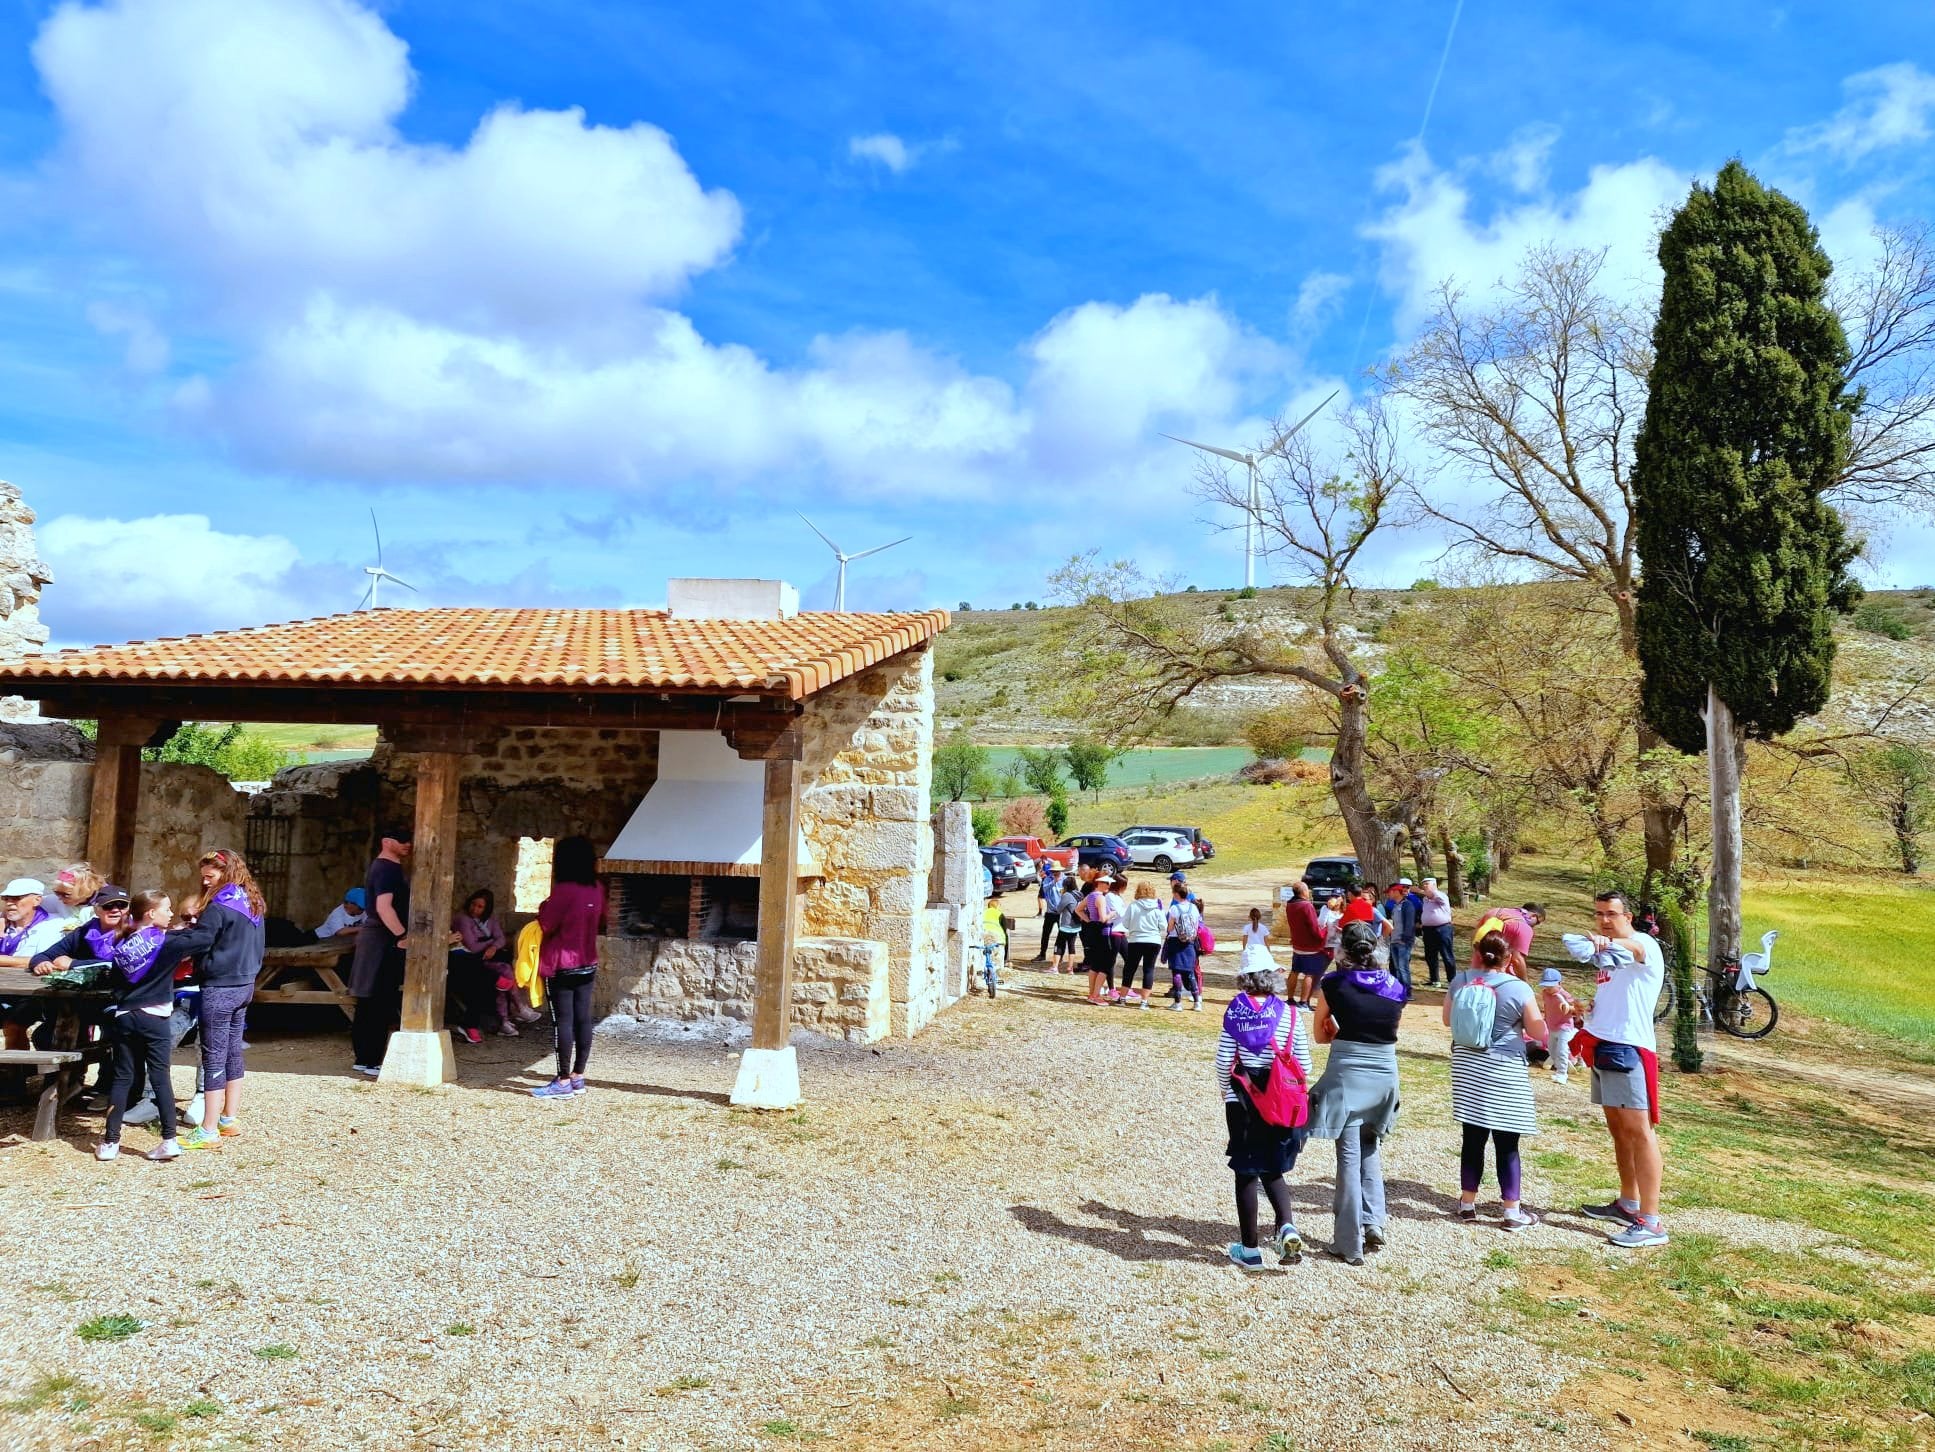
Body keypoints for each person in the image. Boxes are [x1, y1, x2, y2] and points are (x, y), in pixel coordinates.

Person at [1573, 890, 1669, 1249]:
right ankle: (1628, 1203)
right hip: (1602, 1044)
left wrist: (1605, 942)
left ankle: (1652, 1221)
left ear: (1628, 916)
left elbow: (1638, 950)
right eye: (1598, 914)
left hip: (1628, 1048)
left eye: (1611, 914)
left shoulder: (1642, 943)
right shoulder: (1608, 955)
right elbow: (1616, 998)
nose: (1604, 920)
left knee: (1639, 1131)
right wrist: (1586, 1009)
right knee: (1618, 1130)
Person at [1305, 922, 1404, 1265]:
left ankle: (1349, 1243)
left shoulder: (1333, 983)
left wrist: (1335, 1027)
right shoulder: (1395, 986)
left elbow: (1320, 1034)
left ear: (1343, 949)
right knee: (1370, 1146)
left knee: (1348, 1156)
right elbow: (1387, 1028)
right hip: (1385, 1074)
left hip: (1348, 1073)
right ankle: (1374, 1221)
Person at [156, 850, 266, 1148]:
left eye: (210, 876)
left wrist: (161, 938)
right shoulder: (251, 901)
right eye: (203, 876)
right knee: (232, 1052)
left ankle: (207, 1130)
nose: (205, 882)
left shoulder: (218, 907)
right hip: (244, 984)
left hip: (219, 987)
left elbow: (203, 940)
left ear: (227, 872)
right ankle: (228, 1119)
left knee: (213, 1056)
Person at [1444, 931, 1547, 1230]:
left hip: (1467, 1067)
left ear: (1477, 952)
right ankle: (1512, 1212)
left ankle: (1467, 1204)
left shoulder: (1460, 981)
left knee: (1472, 1136)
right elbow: (1538, 1032)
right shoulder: (1518, 988)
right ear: (1510, 958)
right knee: (1507, 1141)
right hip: (1504, 1070)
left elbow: (1447, 1021)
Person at [1217, 965, 1312, 1270]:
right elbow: (1305, 1065)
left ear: (1243, 978)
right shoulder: (1290, 1014)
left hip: (1245, 1101)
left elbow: (1223, 1062)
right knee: (1272, 1169)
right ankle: (1286, 1227)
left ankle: (1250, 1250)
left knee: (1246, 1171)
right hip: (1282, 1105)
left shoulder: (1236, 1012)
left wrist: (1228, 1095)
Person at [93, 891, 182, 1162]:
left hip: (127, 1015)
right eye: (166, 909)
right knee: (160, 1077)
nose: (170, 913)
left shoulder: (124, 941)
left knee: (122, 1077)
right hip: (155, 1016)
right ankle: (169, 1139)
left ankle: (110, 1143)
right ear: (151, 914)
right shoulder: (164, 942)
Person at [531, 836, 607, 1100]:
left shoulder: (564, 889)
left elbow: (546, 923)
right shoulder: (597, 888)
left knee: (562, 1021)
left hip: (562, 964)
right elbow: (603, 918)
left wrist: (543, 905)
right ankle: (577, 1076)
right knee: (583, 1018)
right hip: (588, 961)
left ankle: (561, 1081)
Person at [349, 825, 413, 1078]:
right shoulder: (387, 869)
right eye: (402, 839)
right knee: (376, 999)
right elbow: (384, 907)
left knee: (372, 1000)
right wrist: (402, 935)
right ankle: (370, 1059)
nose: (408, 843)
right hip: (381, 940)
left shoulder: (386, 868)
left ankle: (366, 1057)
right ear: (387, 841)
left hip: (380, 938)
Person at [1, 877, 67, 1050]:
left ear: (37, 900)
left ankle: (15, 1075)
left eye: (17, 899)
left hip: (35, 993)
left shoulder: (52, 925)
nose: (10, 904)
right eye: (6, 899)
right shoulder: (2, 925)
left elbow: (44, 960)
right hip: (5, 989)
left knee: (14, 1025)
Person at [448, 888, 508, 1043]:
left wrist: (493, 946)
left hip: (467, 959)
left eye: (480, 906)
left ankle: (471, 1026)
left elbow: (501, 938)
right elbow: (473, 946)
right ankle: (495, 979)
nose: (475, 909)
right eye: (473, 904)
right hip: (454, 960)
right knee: (475, 967)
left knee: (480, 982)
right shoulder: (462, 919)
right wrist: (491, 941)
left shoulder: (491, 920)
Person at [1119, 882, 1166, 1007]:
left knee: (1130, 968)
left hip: (1136, 940)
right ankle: (1144, 1001)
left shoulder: (1133, 905)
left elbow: (1125, 924)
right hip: (1153, 940)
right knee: (1148, 970)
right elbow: (1163, 926)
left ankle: (1123, 998)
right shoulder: (1157, 907)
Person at [1074, 872, 1118, 1006]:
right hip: (1102, 933)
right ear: (1100, 883)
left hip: (1093, 931)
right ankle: (1096, 994)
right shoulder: (1100, 898)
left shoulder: (1090, 896)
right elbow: (1103, 918)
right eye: (1107, 883)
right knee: (1105, 965)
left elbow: (1078, 909)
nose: (1109, 886)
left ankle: (1092, 993)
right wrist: (1112, 914)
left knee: (1095, 965)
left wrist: (1088, 921)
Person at [1471, 902, 1546, 977]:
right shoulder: (1524, 928)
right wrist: (1524, 982)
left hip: (1476, 971)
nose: (1535, 926)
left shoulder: (1495, 911)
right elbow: (1517, 960)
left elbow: (1475, 936)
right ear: (1533, 916)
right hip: (1500, 977)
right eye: (1537, 922)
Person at [1284, 880, 1327, 1008]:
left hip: (1297, 944)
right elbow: (1314, 927)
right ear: (1303, 891)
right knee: (1310, 973)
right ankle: (1303, 1002)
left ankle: (1290, 998)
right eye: (1307, 890)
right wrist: (1324, 932)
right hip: (1309, 946)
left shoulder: (1290, 904)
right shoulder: (1306, 906)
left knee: (1294, 971)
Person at [1163, 880, 1203, 1011]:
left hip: (1176, 941)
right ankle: (1197, 1002)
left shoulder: (1175, 908)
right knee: (1190, 972)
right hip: (1190, 942)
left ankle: (1178, 1002)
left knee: (1177, 971)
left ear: (1176, 894)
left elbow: (1169, 927)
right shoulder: (1194, 908)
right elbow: (1197, 925)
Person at [1538, 968, 1581, 1084]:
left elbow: (1578, 1009)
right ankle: (1565, 1064)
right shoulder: (1545, 994)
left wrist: (1569, 1008)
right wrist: (1546, 1018)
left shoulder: (1564, 995)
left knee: (1562, 1050)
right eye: (1546, 986)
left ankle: (1562, 1074)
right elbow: (1547, 1007)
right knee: (1552, 1051)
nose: (1548, 988)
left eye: (1551, 986)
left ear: (1559, 983)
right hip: (1552, 1026)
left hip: (1564, 1027)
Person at [1382, 880, 1421, 995]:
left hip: (1403, 942)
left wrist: (1405, 939)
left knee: (1403, 968)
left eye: (1390, 892)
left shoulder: (1407, 905)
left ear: (1396, 892)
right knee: (1398, 968)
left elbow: (1409, 924)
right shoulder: (1395, 906)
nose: (1388, 895)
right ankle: (1400, 991)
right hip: (1394, 940)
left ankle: (1407, 992)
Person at [1417, 876, 1455, 987]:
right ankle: (1435, 980)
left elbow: (1432, 894)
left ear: (1434, 885)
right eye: (1423, 884)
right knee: (1430, 955)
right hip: (1428, 930)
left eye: (1426, 884)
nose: (1424, 886)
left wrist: (1418, 891)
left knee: (1446, 955)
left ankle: (1451, 980)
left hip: (1443, 929)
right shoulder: (1425, 900)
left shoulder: (1441, 895)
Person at [1104, 874, 1131, 1004]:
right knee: (1110, 961)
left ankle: (1126, 986)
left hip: (1121, 931)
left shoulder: (1118, 896)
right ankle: (1111, 988)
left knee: (1129, 959)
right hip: (1114, 931)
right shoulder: (1109, 896)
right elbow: (1120, 913)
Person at [1052, 875, 1081, 973]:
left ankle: (1055, 967)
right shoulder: (1079, 894)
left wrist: (1062, 896)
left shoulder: (1066, 895)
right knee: (1071, 946)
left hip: (1066, 925)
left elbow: (1058, 909)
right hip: (1076, 925)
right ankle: (1070, 968)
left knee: (1059, 945)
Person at [979, 896, 1006, 997]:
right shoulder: (1000, 914)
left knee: (985, 954)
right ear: (997, 906)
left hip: (984, 935)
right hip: (997, 937)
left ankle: (984, 971)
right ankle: (996, 975)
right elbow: (1004, 929)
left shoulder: (983, 912)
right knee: (997, 958)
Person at [1034, 869, 1060, 964]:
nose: (1055, 873)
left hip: (1061, 912)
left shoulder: (1064, 879)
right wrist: (1054, 881)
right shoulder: (1047, 880)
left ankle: (1059, 955)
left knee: (1061, 935)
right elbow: (1045, 889)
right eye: (1053, 871)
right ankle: (1042, 954)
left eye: (1057, 871)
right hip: (1050, 911)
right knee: (1045, 933)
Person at [1238, 908, 1274, 975]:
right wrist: (1269, 953)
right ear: (1259, 917)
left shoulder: (1246, 927)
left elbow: (1244, 940)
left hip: (1250, 949)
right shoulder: (1264, 928)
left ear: (1250, 917)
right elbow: (1266, 942)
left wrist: (1244, 950)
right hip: (1262, 950)